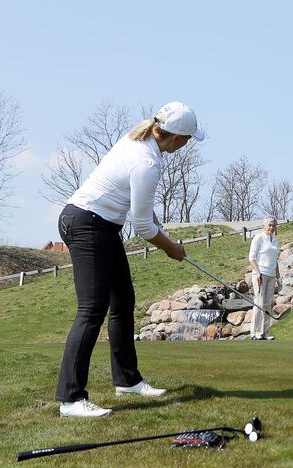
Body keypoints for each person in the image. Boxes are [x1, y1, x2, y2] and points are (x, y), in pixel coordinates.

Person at [57, 102, 204, 417]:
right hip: (87, 223)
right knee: (91, 310)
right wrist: (170, 247)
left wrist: (156, 226)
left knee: (123, 301)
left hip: (101, 225)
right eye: (189, 139)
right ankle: (70, 399)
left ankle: (126, 379)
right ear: (178, 139)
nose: (187, 144)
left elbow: (138, 205)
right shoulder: (145, 161)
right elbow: (141, 228)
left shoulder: (139, 142)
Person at [248, 217, 281, 340]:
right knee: (259, 303)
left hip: (271, 275)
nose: (272, 227)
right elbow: (251, 258)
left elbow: (275, 260)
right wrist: (257, 272)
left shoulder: (275, 240)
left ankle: (264, 332)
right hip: (260, 274)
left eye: (274, 225)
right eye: (270, 225)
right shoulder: (258, 238)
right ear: (264, 226)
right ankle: (254, 332)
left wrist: (279, 278)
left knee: (267, 304)